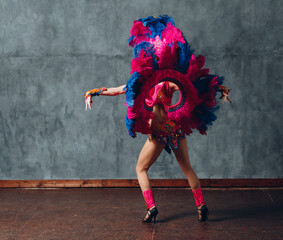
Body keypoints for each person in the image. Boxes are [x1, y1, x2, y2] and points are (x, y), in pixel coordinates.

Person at [84, 15, 231, 223]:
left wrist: (93, 93)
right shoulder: (167, 84)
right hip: (175, 128)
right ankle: (201, 205)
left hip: (158, 132)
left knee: (140, 169)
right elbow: (192, 84)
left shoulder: (143, 85)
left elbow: (117, 90)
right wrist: (219, 88)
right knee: (187, 168)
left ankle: (152, 208)